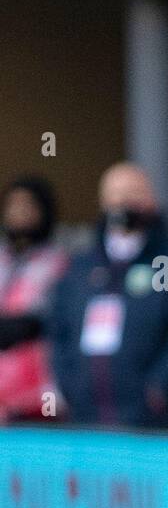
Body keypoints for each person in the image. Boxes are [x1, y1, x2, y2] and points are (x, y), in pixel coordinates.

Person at [46, 163, 168, 430]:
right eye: (117, 194)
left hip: (154, 421)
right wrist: (69, 385)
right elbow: (58, 330)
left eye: (134, 193)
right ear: (103, 201)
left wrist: (160, 387)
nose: (125, 202)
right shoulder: (81, 266)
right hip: (87, 417)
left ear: (152, 200)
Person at [0, 177, 67, 423]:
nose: (19, 213)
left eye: (28, 206)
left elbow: (59, 321)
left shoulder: (59, 263)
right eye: (13, 206)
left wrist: (29, 325)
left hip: (41, 399)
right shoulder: (2, 260)